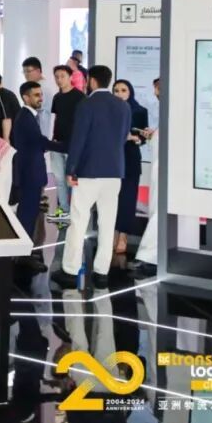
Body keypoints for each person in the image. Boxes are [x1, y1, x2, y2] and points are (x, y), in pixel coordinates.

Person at [53, 65, 131, 290]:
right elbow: (122, 138)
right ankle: (102, 272)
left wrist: (71, 169)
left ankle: (70, 270)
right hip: (114, 172)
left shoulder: (86, 104)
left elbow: (78, 139)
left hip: (88, 172)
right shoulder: (123, 106)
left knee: (78, 220)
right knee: (108, 222)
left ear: (92, 81)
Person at [11, 82, 64, 251]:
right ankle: (22, 253)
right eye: (36, 95)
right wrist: (65, 147)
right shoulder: (25, 117)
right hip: (30, 175)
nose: (40, 98)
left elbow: (35, 143)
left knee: (30, 213)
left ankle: (24, 251)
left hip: (31, 173)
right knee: (27, 215)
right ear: (25, 97)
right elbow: (40, 141)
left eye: (41, 95)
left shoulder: (29, 116)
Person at [112, 79, 148, 255]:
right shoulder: (109, 110)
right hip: (111, 160)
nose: (119, 94)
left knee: (127, 199)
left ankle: (123, 235)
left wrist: (136, 138)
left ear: (130, 92)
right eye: (116, 90)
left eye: (123, 90)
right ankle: (113, 231)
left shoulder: (140, 111)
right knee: (112, 198)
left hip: (130, 159)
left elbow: (143, 138)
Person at [130, 78, 160, 278]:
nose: (156, 93)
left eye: (158, 88)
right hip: (159, 170)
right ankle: (149, 256)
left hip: (167, 171)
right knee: (155, 210)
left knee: (158, 212)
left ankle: (149, 257)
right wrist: (153, 134)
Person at [49, 65, 85, 223]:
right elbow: (56, 118)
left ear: (70, 77)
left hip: (73, 144)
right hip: (57, 143)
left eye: (62, 76)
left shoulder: (80, 97)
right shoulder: (57, 97)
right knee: (59, 179)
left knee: (72, 180)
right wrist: (52, 139)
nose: (59, 79)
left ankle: (76, 213)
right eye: (56, 76)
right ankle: (63, 211)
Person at [21, 57, 54, 137]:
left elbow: (32, 108)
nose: (26, 75)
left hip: (41, 131)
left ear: (38, 71)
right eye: (24, 72)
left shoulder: (43, 88)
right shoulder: (39, 86)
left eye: (28, 71)